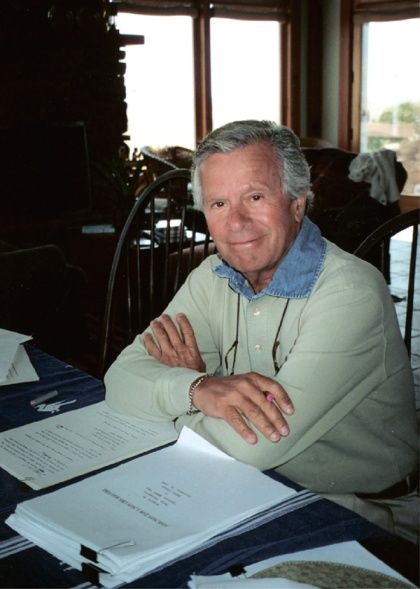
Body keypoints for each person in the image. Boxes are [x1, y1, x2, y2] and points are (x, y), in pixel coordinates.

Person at [105, 120, 419, 543]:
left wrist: (180, 396)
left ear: (297, 203)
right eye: (218, 203)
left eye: (255, 197)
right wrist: (199, 388)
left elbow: (252, 445)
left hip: (363, 512)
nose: (236, 221)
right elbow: (119, 379)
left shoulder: (350, 292)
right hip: (251, 487)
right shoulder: (212, 276)